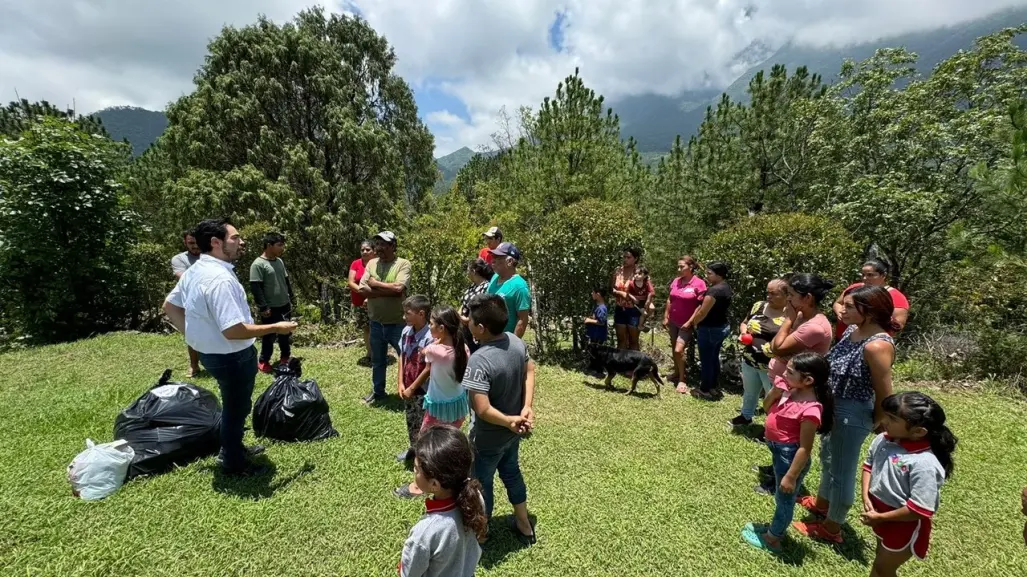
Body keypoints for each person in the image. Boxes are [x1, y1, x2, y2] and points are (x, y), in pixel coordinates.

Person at [163, 218, 297, 476]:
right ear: (216, 242)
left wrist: (194, 337)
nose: (241, 241)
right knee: (236, 409)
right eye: (235, 237)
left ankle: (234, 448)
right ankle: (234, 462)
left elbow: (169, 306)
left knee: (234, 404)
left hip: (212, 353)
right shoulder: (219, 279)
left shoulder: (196, 271)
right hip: (231, 355)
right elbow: (234, 330)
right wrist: (276, 327)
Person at [793, 285, 897, 543]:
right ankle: (822, 503)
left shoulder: (877, 345)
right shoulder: (853, 330)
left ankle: (831, 527)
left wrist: (877, 420)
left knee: (842, 469)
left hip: (852, 411)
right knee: (829, 457)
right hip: (834, 405)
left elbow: (885, 392)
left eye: (850, 306)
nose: (842, 309)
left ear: (869, 312)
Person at [462, 293, 537, 545]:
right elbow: (530, 370)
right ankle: (524, 523)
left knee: (482, 484)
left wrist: (508, 420)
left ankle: (482, 534)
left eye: (470, 320)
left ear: (480, 328)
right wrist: (525, 408)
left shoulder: (479, 360)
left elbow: (482, 410)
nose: (467, 323)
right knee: (512, 472)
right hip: (511, 434)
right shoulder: (516, 342)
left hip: (488, 437)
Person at [742, 352, 834, 553]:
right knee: (780, 498)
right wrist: (775, 391)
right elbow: (767, 409)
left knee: (784, 500)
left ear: (808, 380)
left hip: (790, 457)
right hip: (779, 452)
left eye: (790, 372)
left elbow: (805, 448)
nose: (784, 373)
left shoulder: (811, 410)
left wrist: (791, 476)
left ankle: (773, 538)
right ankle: (775, 528)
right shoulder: (791, 391)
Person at [860, 392, 956, 576]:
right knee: (880, 561)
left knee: (882, 569)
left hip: (903, 524)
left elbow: (919, 509)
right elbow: (868, 465)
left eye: (892, 418)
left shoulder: (925, 464)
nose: (884, 421)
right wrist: (866, 496)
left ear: (918, 431)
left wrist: (881, 518)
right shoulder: (884, 439)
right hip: (879, 514)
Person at [395, 305, 471, 499]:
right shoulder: (463, 347)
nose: (429, 327)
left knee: (425, 443)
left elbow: (424, 353)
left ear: (442, 328)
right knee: (448, 441)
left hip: (438, 406)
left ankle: (419, 485)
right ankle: (450, 475)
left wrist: (432, 344)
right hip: (457, 405)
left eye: (431, 324)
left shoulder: (435, 350)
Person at [398, 426, 485, 577]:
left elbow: (409, 573)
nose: (414, 471)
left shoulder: (425, 533)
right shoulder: (475, 495)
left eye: (417, 469)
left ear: (434, 485)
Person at [359, 231, 413, 406]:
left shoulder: (403, 264)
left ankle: (409, 392)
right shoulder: (372, 263)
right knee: (378, 360)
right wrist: (388, 291)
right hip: (376, 322)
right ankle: (378, 392)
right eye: (378, 244)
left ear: (393, 246)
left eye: (384, 244)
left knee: (406, 358)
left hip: (398, 323)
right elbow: (362, 289)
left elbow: (399, 289)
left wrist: (375, 285)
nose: (380, 248)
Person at [730, 278, 787, 426]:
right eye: (768, 293)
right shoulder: (759, 306)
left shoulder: (791, 315)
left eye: (774, 294)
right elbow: (744, 322)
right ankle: (746, 416)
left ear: (787, 296)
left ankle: (772, 426)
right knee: (749, 391)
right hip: (750, 359)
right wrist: (744, 333)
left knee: (773, 397)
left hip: (773, 366)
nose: (769, 297)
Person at [684, 262, 733, 400]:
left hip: (709, 329)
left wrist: (694, 323)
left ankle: (705, 389)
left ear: (719, 275)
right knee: (713, 358)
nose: (707, 276)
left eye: (710, 273)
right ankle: (713, 386)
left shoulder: (714, 291)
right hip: (721, 327)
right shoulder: (726, 287)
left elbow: (703, 312)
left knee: (706, 360)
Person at [249, 232, 296, 374]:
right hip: (270, 308)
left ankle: (285, 358)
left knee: (285, 334)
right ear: (269, 245)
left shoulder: (279, 261)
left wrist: (292, 297)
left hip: (284, 304)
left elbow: (286, 281)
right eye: (279, 245)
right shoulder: (258, 264)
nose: (283, 248)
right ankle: (264, 361)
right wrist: (263, 306)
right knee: (268, 336)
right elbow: (256, 288)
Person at [397, 295, 433, 465]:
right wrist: (400, 382)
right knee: (410, 419)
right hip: (407, 387)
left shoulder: (430, 336)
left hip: (422, 389)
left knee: (423, 423)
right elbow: (402, 356)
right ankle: (414, 448)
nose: (404, 317)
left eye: (407, 313)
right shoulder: (405, 331)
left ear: (421, 313)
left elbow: (429, 368)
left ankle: (425, 455)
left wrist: (413, 387)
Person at [833, 259, 909, 339]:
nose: (865, 278)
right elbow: (838, 303)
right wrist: (841, 313)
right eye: (863, 275)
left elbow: (897, 325)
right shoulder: (855, 288)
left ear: (883, 275)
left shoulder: (896, 297)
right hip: (843, 338)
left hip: (869, 341)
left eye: (870, 275)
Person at [663, 255, 707, 392]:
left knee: (679, 350)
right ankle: (676, 373)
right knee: (673, 347)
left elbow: (700, 305)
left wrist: (690, 322)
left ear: (691, 267)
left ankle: (682, 379)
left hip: (686, 324)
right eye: (678, 266)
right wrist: (666, 316)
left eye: (682, 266)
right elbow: (670, 299)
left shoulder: (699, 283)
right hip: (673, 321)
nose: (679, 269)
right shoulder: (676, 281)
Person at [170, 229, 202, 377]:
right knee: (192, 333)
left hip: (211, 300)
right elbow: (182, 278)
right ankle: (194, 365)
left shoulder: (210, 256)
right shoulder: (179, 259)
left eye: (197, 242)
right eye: (191, 243)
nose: (195, 246)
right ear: (185, 242)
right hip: (189, 302)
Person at [486, 242, 530, 338]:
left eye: (498, 258)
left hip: (504, 342)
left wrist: (513, 345)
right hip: (487, 339)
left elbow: (522, 320)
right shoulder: (494, 278)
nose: (493, 261)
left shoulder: (519, 287)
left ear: (509, 261)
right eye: (493, 256)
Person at [611, 247, 652, 350]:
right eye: (624, 257)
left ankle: (634, 364)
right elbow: (611, 289)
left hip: (635, 310)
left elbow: (648, 290)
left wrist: (648, 305)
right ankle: (622, 363)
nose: (625, 259)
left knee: (633, 340)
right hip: (620, 308)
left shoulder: (640, 272)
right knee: (621, 339)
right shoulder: (618, 271)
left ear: (635, 258)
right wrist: (619, 293)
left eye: (628, 257)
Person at [348, 240, 376, 366]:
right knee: (366, 328)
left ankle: (378, 354)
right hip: (359, 302)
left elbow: (380, 282)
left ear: (374, 251)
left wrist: (369, 296)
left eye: (368, 249)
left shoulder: (377, 264)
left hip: (375, 301)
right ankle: (369, 354)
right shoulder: (356, 263)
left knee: (376, 328)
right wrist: (362, 291)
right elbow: (351, 282)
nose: (365, 252)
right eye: (362, 249)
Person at [459, 259, 493, 354]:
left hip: (475, 328)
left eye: (468, 270)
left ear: (473, 271)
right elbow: (464, 303)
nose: (467, 273)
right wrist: (459, 315)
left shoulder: (486, 287)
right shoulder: (472, 286)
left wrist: (468, 320)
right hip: (464, 329)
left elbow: (483, 308)